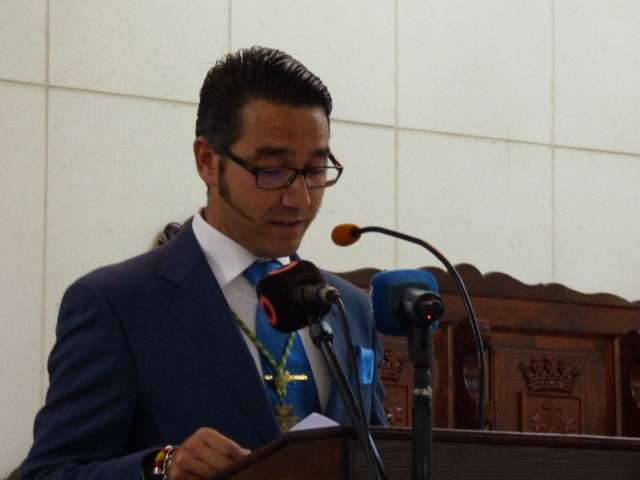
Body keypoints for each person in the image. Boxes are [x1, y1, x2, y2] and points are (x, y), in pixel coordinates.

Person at [21, 46, 386, 480]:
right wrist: (161, 466)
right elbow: (49, 473)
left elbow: (381, 456)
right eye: (272, 171)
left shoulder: (350, 308)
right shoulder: (119, 304)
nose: (300, 198)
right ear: (208, 162)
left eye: (315, 170)